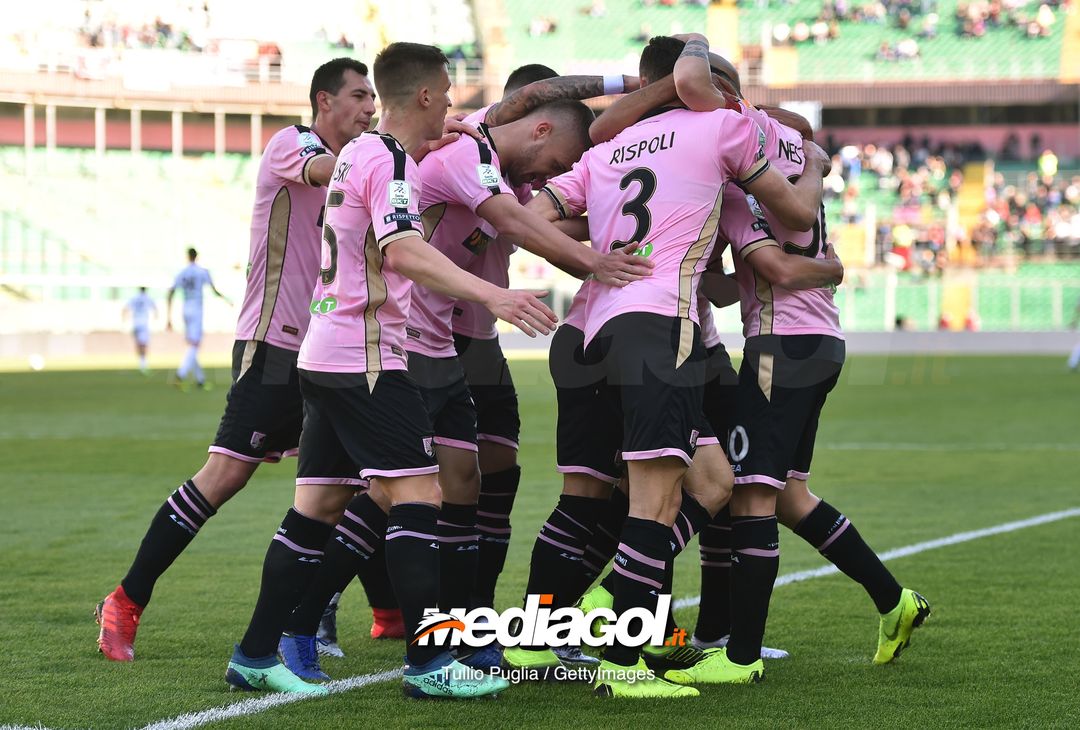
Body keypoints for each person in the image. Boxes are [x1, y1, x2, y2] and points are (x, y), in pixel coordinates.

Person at [223, 42, 555, 698]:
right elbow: (402, 250)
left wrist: (433, 147)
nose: (455, 105)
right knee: (420, 496)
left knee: (316, 507)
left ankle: (257, 653)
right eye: (448, 93)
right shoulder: (390, 161)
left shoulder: (361, 152)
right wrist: (495, 296)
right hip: (367, 359)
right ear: (427, 95)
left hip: (322, 353)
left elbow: (388, 193)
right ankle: (430, 667)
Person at [521, 33, 829, 698]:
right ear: (705, 83)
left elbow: (531, 214)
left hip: (587, 332)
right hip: (662, 326)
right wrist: (816, 172)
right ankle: (620, 658)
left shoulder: (604, 149)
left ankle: (548, 635)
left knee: (707, 480)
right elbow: (798, 208)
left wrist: (592, 257)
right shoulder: (724, 128)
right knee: (656, 501)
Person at [94, 57, 380, 662]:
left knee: (361, 481)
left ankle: (364, 613)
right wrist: (394, 151)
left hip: (331, 348)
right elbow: (331, 171)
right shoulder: (291, 146)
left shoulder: (364, 160)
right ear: (324, 101)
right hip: (273, 343)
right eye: (359, 95)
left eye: (377, 97)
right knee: (225, 476)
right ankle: (126, 599)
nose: (371, 106)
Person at [665, 34, 929, 686]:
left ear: (727, 101)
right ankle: (894, 600)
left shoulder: (735, 161)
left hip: (780, 346)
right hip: (819, 341)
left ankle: (740, 656)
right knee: (789, 494)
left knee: (752, 496)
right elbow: (737, 282)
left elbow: (773, 264)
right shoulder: (784, 150)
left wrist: (693, 44)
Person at [166, 247, 229, 389]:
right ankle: (179, 375)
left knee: (192, 346)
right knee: (194, 346)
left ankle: (200, 380)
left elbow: (170, 292)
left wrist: (168, 317)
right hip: (197, 309)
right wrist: (226, 300)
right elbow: (214, 290)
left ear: (187, 257)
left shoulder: (182, 272)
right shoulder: (203, 272)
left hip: (186, 308)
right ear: (197, 256)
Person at [123, 287, 157, 374]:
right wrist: (156, 317)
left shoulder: (134, 298)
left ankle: (141, 363)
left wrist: (124, 318)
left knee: (138, 344)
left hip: (136, 323)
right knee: (144, 344)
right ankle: (143, 364)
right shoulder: (148, 298)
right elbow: (155, 308)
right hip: (144, 323)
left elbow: (126, 308)